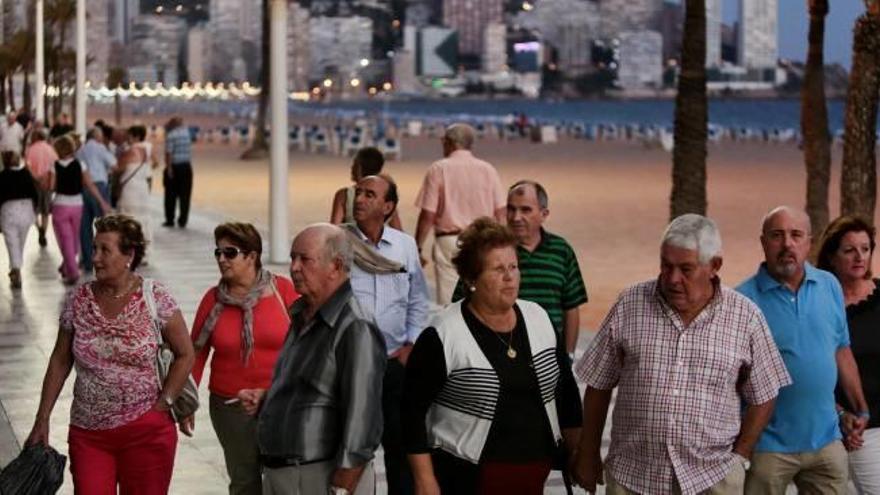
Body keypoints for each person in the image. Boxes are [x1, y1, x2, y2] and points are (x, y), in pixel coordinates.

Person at [571, 214, 791, 494]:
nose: (673, 279)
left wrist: (741, 456)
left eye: (686, 269)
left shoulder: (746, 317)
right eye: (666, 265)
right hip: (633, 478)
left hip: (712, 480)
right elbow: (599, 384)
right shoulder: (630, 304)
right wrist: (588, 453)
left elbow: (765, 392)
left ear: (714, 266)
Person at [403, 217, 582, 495]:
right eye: (498, 269)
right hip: (463, 478)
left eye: (513, 266)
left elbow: (567, 393)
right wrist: (424, 480)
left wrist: (576, 453)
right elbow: (410, 413)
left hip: (532, 476)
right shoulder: (443, 334)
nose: (510, 277)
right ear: (471, 279)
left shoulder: (539, 318)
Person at [25, 214, 195, 494]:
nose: (95, 258)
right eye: (94, 249)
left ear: (129, 254)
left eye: (105, 250)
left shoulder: (156, 298)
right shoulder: (78, 300)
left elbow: (185, 353)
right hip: (89, 434)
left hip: (147, 432)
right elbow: (60, 360)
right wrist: (42, 418)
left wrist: (164, 404)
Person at [237, 223, 385, 495]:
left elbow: (363, 425)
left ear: (336, 266)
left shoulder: (355, 325)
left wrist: (342, 488)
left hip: (319, 476)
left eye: (304, 259)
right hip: (284, 474)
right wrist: (268, 399)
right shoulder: (302, 314)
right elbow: (314, 387)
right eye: (293, 257)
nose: (294, 267)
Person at [737, 206, 870, 494]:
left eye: (796, 235)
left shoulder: (829, 285)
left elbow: (841, 351)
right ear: (763, 242)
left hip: (826, 442)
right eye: (777, 235)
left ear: (809, 242)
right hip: (768, 447)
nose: (787, 244)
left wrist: (861, 410)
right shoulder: (742, 301)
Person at [187, 222, 299, 495]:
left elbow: (305, 345)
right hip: (230, 406)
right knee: (244, 481)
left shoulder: (283, 291)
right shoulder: (213, 300)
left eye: (230, 252)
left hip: (280, 402)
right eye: (218, 253)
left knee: (283, 478)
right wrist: (185, 402)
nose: (221, 259)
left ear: (252, 256)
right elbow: (195, 353)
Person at [348, 174, 429, 495]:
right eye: (359, 193)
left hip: (395, 363)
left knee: (399, 449)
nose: (360, 199)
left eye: (370, 195)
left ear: (388, 206)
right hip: (353, 366)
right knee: (354, 447)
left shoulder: (404, 246)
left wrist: (411, 344)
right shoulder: (339, 243)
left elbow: (418, 298)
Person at [453, 180, 588, 355]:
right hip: (498, 351)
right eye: (511, 209)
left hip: (549, 354)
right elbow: (459, 302)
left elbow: (571, 306)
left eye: (525, 210)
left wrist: (568, 355)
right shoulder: (489, 250)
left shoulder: (561, 251)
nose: (516, 217)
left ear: (544, 214)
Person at [816, 215, 880, 493]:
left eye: (865, 249)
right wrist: (839, 413)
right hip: (861, 428)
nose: (859, 257)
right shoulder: (819, 306)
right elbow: (813, 371)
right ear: (831, 256)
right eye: (849, 250)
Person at [414, 123, 506, 304]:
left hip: (450, 240)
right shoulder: (488, 169)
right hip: (482, 241)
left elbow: (428, 214)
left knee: (449, 301)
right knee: (482, 297)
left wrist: (417, 246)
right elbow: (501, 213)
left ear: (449, 143)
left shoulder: (438, 168)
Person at [48, 135, 111, 285]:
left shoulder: (54, 166)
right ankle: (67, 266)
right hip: (77, 205)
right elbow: (90, 185)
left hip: (60, 205)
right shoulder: (80, 165)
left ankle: (73, 272)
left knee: (65, 238)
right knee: (74, 238)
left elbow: (51, 187)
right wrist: (102, 202)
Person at [330, 146, 402, 230]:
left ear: (359, 168)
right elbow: (398, 230)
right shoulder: (385, 195)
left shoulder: (344, 195)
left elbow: (334, 229)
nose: (351, 168)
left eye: (354, 164)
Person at [76, 127, 117, 273]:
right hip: (99, 186)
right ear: (96, 136)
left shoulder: (80, 150)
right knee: (105, 227)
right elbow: (114, 164)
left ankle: (88, 262)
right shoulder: (100, 148)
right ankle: (106, 260)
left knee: (85, 228)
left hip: (83, 189)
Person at [0, 150, 38, 289]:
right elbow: (34, 193)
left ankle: (16, 269)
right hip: (26, 209)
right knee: (20, 243)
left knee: (12, 243)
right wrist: (36, 210)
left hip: (8, 210)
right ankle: (16, 269)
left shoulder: (2, 175)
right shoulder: (25, 173)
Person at [115, 130, 153, 261]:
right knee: (144, 222)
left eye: (129, 137)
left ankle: (131, 253)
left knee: (128, 222)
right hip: (143, 192)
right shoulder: (146, 152)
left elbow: (117, 168)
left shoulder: (128, 152)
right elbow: (149, 174)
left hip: (130, 192)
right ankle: (144, 254)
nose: (127, 140)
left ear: (135, 137)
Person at [24, 128, 58, 248]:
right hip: (48, 183)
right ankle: (44, 230)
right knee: (45, 210)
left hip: (34, 184)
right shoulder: (50, 149)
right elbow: (55, 165)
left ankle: (39, 230)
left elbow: (27, 167)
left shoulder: (30, 150)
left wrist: (37, 178)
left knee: (33, 210)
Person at [163, 116, 193, 228]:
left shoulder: (171, 135)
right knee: (185, 195)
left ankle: (170, 219)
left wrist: (169, 168)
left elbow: (169, 153)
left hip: (174, 166)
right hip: (186, 166)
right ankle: (183, 220)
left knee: (170, 195)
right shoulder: (187, 133)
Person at [130, 124, 159, 191]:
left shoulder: (132, 147)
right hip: (147, 175)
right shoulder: (149, 146)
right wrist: (148, 168)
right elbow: (156, 163)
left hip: (134, 177)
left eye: (130, 135)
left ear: (136, 136)